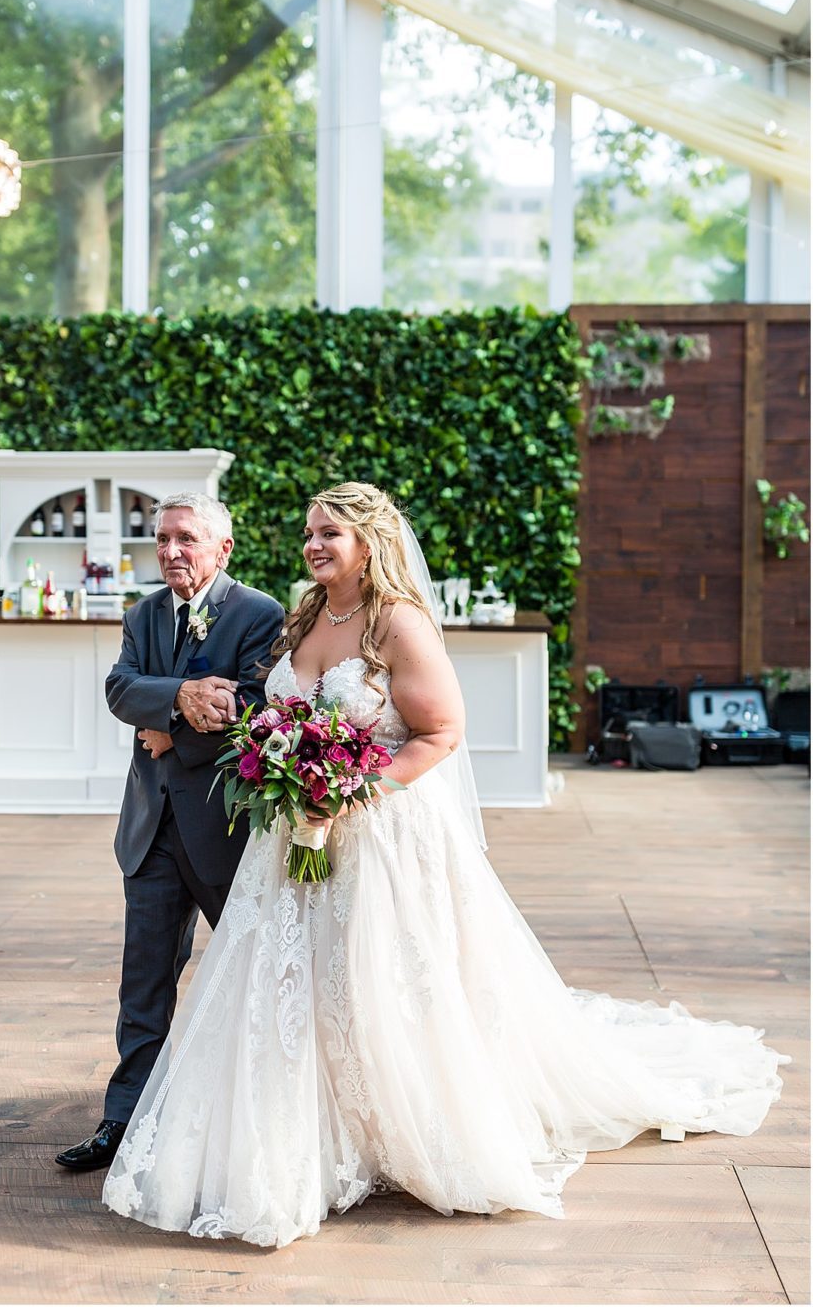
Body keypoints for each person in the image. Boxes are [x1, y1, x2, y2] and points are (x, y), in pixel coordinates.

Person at [103, 482, 785, 1248]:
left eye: (330, 532)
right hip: (295, 835)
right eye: (308, 532)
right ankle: (312, 1121)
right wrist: (276, 759)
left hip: (378, 835)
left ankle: (401, 1125)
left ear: (369, 540)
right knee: (299, 984)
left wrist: (352, 792)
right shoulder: (303, 616)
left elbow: (440, 733)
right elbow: (269, 709)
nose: (315, 544)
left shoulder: (398, 622)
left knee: (381, 982)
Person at [54, 495, 283, 1177]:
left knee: (250, 976)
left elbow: (254, 704)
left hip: (225, 828)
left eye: (187, 539)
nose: (171, 551)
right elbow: (120, 688)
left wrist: (169, 726)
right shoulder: (142, 613)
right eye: (162, 540)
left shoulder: (261, 613)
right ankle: (124, 1121)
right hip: (150, 829)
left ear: (223, 550)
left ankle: (251, 1116)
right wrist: (180, 701)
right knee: (143, 983)